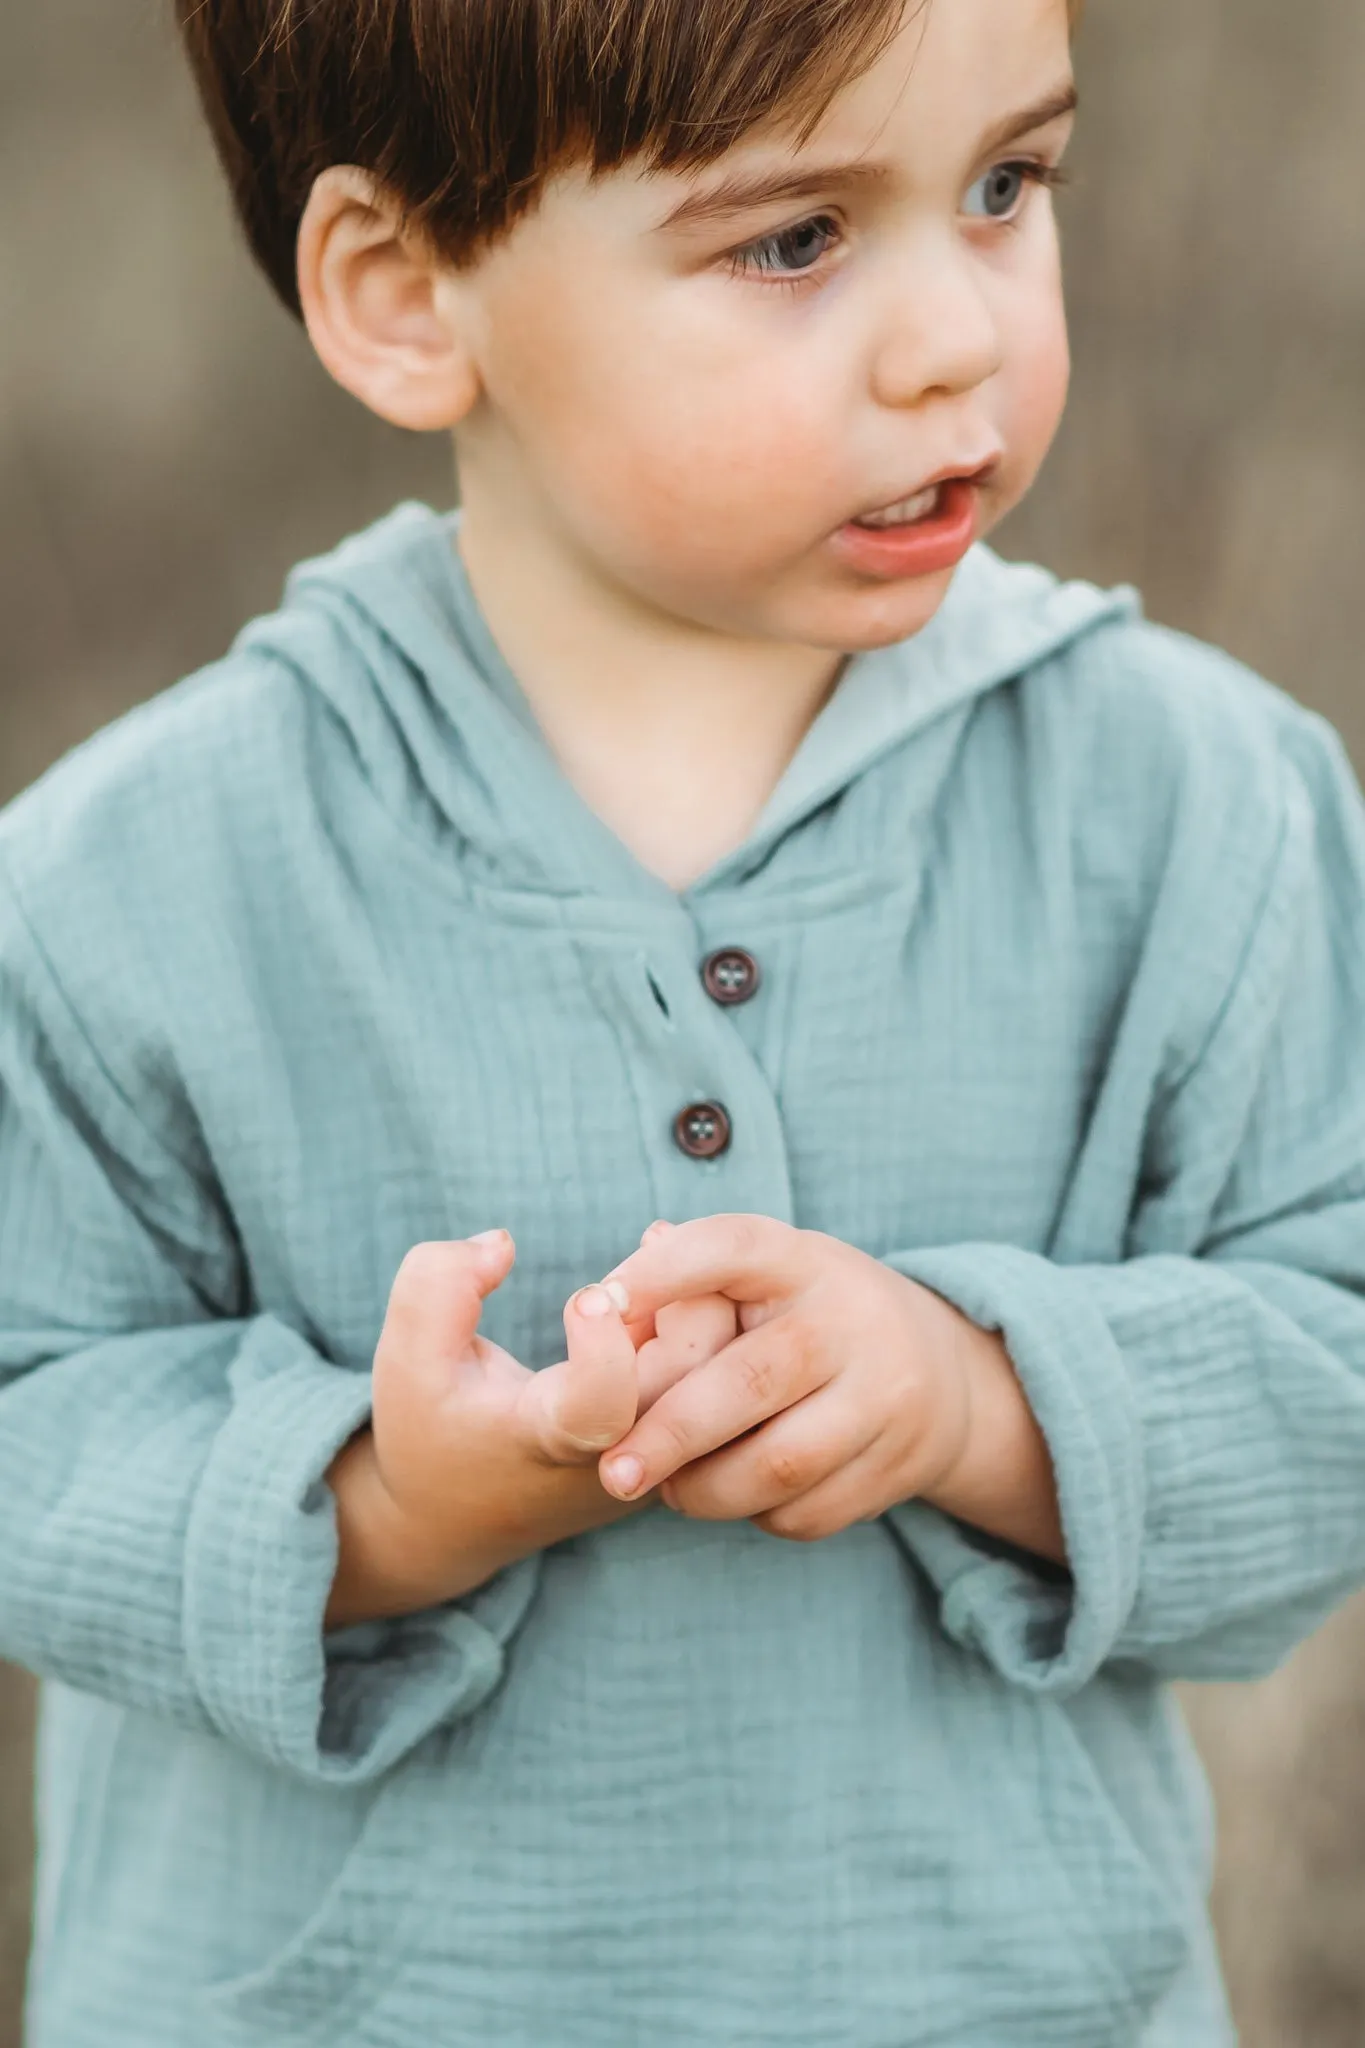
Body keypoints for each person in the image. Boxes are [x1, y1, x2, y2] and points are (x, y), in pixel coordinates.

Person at [4, 0, 1365, 2038]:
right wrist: (385, 1507)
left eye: (1007, 186)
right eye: (795, 240)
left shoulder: (1194, 811)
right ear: (403, 296)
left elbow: (1330, 1359)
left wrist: (975, 1399)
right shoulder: (140, 878)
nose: (950, 341)